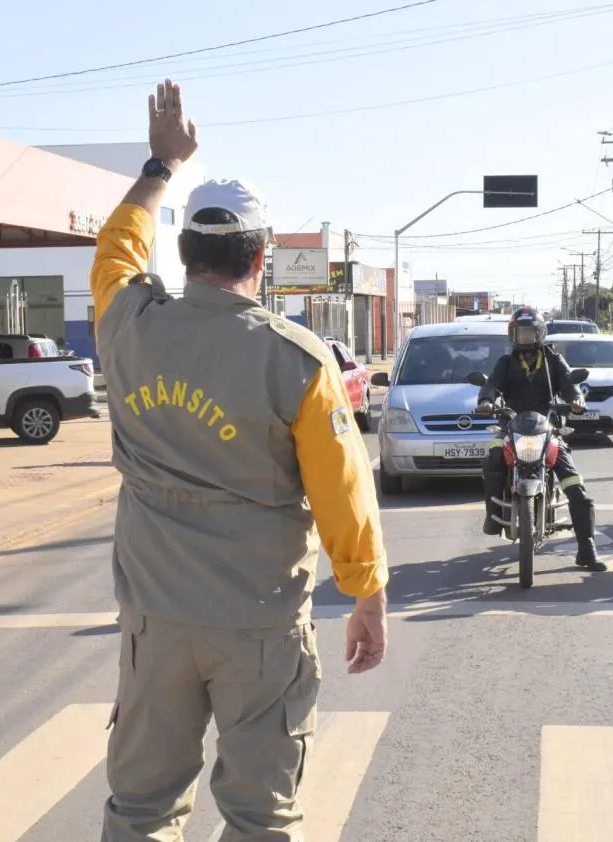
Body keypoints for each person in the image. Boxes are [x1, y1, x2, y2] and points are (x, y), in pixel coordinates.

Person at [91, 79, 390, 841]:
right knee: (261, 818)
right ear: (262, 257)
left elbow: (118, 245)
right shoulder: (297, 361)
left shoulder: (129, 324)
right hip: (258, 631)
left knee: (140, 810)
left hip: (154, 625)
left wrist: (162, 164)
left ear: (185, 252)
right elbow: (342, 494)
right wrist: (367, 594)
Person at [476, 306, 607, 572]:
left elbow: (570, 384)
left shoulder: (553, 360)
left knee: (575, 487)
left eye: (529, 332)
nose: (525, 338)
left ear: (540, 333)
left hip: (548, 430)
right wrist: (486, 401)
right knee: (492, 461)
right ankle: (492, 515)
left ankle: (587, 548)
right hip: (511, 429)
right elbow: (491, 385)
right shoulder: (505, 362)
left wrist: (576, 400)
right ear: (512, 334)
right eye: (520, 333)